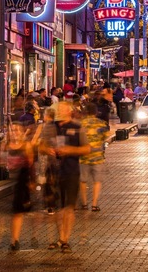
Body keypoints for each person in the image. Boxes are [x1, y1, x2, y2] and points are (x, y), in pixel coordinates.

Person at [44, 101, 89, 253]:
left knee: (68, 207)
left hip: (71, 171)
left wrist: (69, 150)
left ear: (70, 112)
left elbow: (86, 148)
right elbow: (40, 145)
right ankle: (60, 236)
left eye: (63, 110)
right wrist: (47, 149)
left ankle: (65, 239)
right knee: (57, 208)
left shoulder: (77, 128)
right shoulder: (51, 127)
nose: (59, 112)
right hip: (53, 172)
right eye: (58, 110)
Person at [3, 121, 33, 251]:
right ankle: (10, 237)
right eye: (12, 130)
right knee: (8, 212)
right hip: (8, 181)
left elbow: (31, 164)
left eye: (17, 130)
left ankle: (14, 240)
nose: (14, 133)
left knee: (17, 212)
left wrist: (31, 181)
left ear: (21, 132)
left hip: (21, 181)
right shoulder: (5, 145)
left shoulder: (26, 145)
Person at [79, 101, 109, 212]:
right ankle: (94, 204)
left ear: (86, 112)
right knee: (97, 181)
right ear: (96, 112)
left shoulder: (81, 124)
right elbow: (106, 137)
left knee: (83, 180)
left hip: (84, 156)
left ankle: (84, 203)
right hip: (97, 157)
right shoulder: (101, 124)